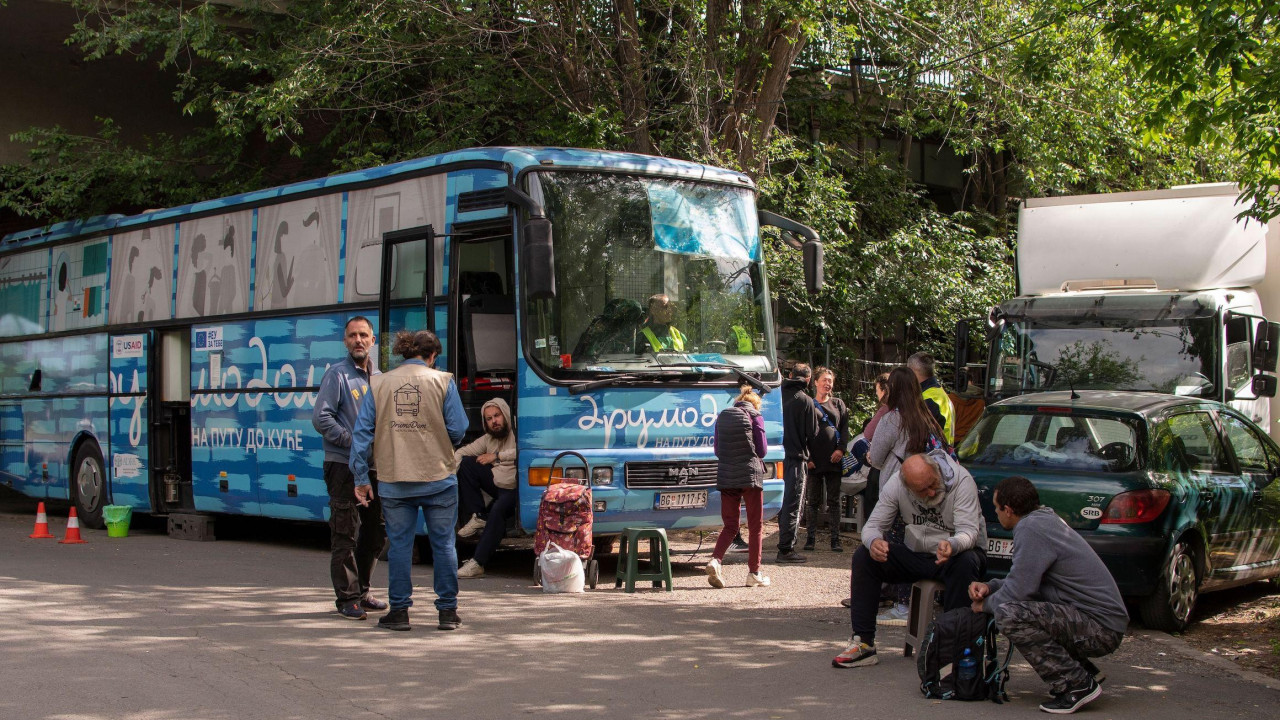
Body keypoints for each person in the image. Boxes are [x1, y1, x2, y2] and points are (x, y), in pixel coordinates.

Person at [970, 476, 1127, 714]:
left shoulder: (1030, 528)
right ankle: (1084, 671)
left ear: (1008, 510)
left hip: (1101, 628)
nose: (995, 513)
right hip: (1101, 621)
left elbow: (1020, 590)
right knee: (1025, 608)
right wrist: (990, 587)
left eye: (996, 508)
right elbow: (1025, 579)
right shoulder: (1043, 520)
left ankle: (1077, 684)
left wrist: (984, 605)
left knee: (1009, 614)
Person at [350, 329, 468, 632]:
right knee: (444, 545)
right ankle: (447, 612)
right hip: (438, 477)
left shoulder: (379, 383)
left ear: (405, 352)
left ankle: (400, 612)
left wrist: (361, 477)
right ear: (432, 355)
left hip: (395, 478)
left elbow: (362, 434)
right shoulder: (443, 381)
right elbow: (458, 429)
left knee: (400, 547)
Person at [833, 451, 987, 668]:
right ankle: (864, 643)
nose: (931, 492)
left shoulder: (962, 480)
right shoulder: (896, 484)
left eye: (933, 484)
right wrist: (874, 541)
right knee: (864, 556)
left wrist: (953, 545)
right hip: (919, 553)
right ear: (908, 487)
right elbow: (872, 526)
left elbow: (969, 532)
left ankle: (954, 648)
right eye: (922, 490)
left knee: (966, 562)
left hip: (957, 554)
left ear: (936, 471)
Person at [312, 316, 387, 620]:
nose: (358, 340)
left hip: (375, 467)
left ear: (373, 341)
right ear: (345, 341)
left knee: (376, 532)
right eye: (353, 335)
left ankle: (363, 591)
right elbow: (321, 418)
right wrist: (351, 441)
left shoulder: (379, 377)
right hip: (342, 466)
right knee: (345, 533)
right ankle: (347, 598)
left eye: (364, 335)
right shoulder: (337, 374)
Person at [705, 385, 771, 588]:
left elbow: (717, 450)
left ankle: (716, 560)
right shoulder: (755, 416)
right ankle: (754, 573)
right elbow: (762, 450)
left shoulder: (722, 417)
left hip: (727, 476)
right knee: (755, 526)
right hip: (750, 476)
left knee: (731, 525)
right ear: (755, 404)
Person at [455, 399, 518, 578]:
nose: (494, 421)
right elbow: (461, 452)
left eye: (497, 416)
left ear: (505, 414)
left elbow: (524, 450)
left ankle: (477, 563)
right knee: (467, 464)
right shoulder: (489, 438)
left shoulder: (518, 431)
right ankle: (479, 516)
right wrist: (449, 475)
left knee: (498, 510)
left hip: (516, 488)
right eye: (489, 419)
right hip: (497, 483)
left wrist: (496, 456)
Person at [803, 367, 849, 553]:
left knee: (834, 501)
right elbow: (803, 433)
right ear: (815, 382)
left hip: (834, 459)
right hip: (814, 460)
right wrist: (808, 457)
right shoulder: (809, 404)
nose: (827, 383)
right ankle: (810, 539)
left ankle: (835, 539)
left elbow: (844, 429)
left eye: (830, 380)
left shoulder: (838, 404)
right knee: (812, 501)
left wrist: (841, 449)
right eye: (824, 380)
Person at [777, 363, 818, 563]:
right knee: (794, 503)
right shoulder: (806, 400)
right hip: (796, 457)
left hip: (776, 457)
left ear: (790, 374)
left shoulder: (776, 395)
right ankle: (786, 549)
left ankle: (782, 543)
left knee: (780, 502)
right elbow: (813, 432)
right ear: (808, 380)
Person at [908, 352, 955, 444]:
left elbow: (917, 436)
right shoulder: (939, 393)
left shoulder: (927, 400)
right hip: (943, 450)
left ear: (913, 371)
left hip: (933, 451)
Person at [948, 366, 986, 445]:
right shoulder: (981, 402)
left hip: (953, 441)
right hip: (972, 442)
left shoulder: (950, 400)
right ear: (972, 381)